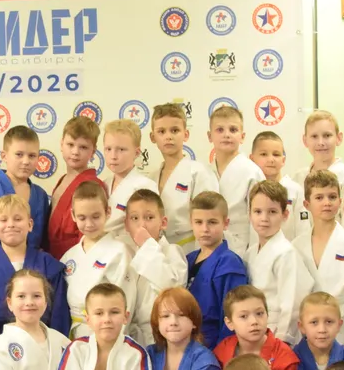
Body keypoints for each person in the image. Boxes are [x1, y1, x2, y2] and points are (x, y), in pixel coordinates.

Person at [0, 193, 69, 338]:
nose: (11, 224)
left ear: (30, 224)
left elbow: (60, 316)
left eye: (18, 219)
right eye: (4, 220)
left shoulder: (50, 266)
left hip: (44, 342)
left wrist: (55, 345)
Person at [297, 169, 344, 347]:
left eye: (332, 197)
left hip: (342, 328)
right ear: (306, 204)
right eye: (319, 197)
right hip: (308, 328)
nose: (327, 203)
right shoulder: (297, 246)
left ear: (340, 202)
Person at [209, 286, 299, 370]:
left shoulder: (283, 357)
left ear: (268, 315)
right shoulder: (222, 351)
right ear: (229, 323)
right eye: (244, 316)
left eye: (259, 313)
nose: (254, 322)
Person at [60, 181, 134, 339]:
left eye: (96, 216)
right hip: (74, 332)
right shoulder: (69, 256)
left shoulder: (119, 252)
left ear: (108, 212)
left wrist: (116, 338)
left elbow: (127, 300)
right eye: (82, 217)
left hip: (106, 331)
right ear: (73, 215)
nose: (89, 224)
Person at [149, 102, 219, 252]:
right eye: (161, 131)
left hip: (191, 248)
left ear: (186, 134)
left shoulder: (199, 172)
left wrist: (203, 257)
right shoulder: (151, 178)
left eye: (175, 130)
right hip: (158, 250)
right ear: (153, 137)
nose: (168, 136)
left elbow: (209, 217)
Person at [0, 125, 50, 254]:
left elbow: (44, 242)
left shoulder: (41, 195)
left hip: (33, 264)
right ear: (4, 156)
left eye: (32, 155)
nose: (26, 161)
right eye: (19, 154)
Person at [245, 180, 307, 346]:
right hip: (253, 329)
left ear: (285, 215)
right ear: (249, 214)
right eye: (258, 212)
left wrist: (283, 340)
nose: (264, 218)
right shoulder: (250, 253)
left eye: (272, 212)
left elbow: (291, 304)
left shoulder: (286, 253)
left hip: (276, 332)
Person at [125, 188, 187, 347]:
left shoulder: (173, 251)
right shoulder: (125, 255)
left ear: (163, 223)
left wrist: (147, 246)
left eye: (149, 217)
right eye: (135, 218)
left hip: (161, 334)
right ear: (126, 224)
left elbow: (172, 288)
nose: (142, 225)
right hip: (131, 334)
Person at [146, 287, 221, 370]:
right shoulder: (148, 355)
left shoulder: (206, 363)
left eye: (181, 315)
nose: (173, 322)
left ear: (194, 322)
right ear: (157, 323)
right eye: (165, 316)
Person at [186, 191, 249, 350]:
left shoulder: (229, 264)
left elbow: (234, 315)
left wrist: (223, 353)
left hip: (214, 345)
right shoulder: (188, 259)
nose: (205, 229)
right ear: (191, 223)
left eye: (212, 222)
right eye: (198, 222)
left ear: (225, 223)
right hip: (185, 342)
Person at [207, 104, 263, 256]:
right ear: (210, 136)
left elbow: (259, 218)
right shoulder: (204, 172)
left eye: (233, 130)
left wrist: (255, 255)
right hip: (209, 245)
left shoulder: (251, 172)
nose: (227, 135)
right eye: (220, 130)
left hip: (241, 248)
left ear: (242, 136)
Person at [45, 115, 103, 259]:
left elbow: (90, 233)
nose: (75, 152)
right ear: (61, 144)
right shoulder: (62, 180)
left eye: (83, 147)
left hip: (75, 258)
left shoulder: (93, 184)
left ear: (93, 151)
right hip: (51, 258)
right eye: (70, 145)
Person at [100, 119, 160, 237]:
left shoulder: (145, 186)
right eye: (108, 149)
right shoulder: (103, 184)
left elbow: (150, 229)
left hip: (131, 246)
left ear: (137, 153)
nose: (113, 156)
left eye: (121, 150)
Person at [250, 131, 307, 245]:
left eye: (276, 154)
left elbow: (303, 231)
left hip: (288, 252)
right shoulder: (250, 190)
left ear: (283, 160)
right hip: (257, 251)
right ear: (252, 159)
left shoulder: (295, 190)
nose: (271, 159)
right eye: (264, 154)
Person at [302, 110, 344, 198]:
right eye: (314, 136)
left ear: (338, 138)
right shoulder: (298, 177)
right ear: (305, 141)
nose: (320, 143)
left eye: (327, 135)